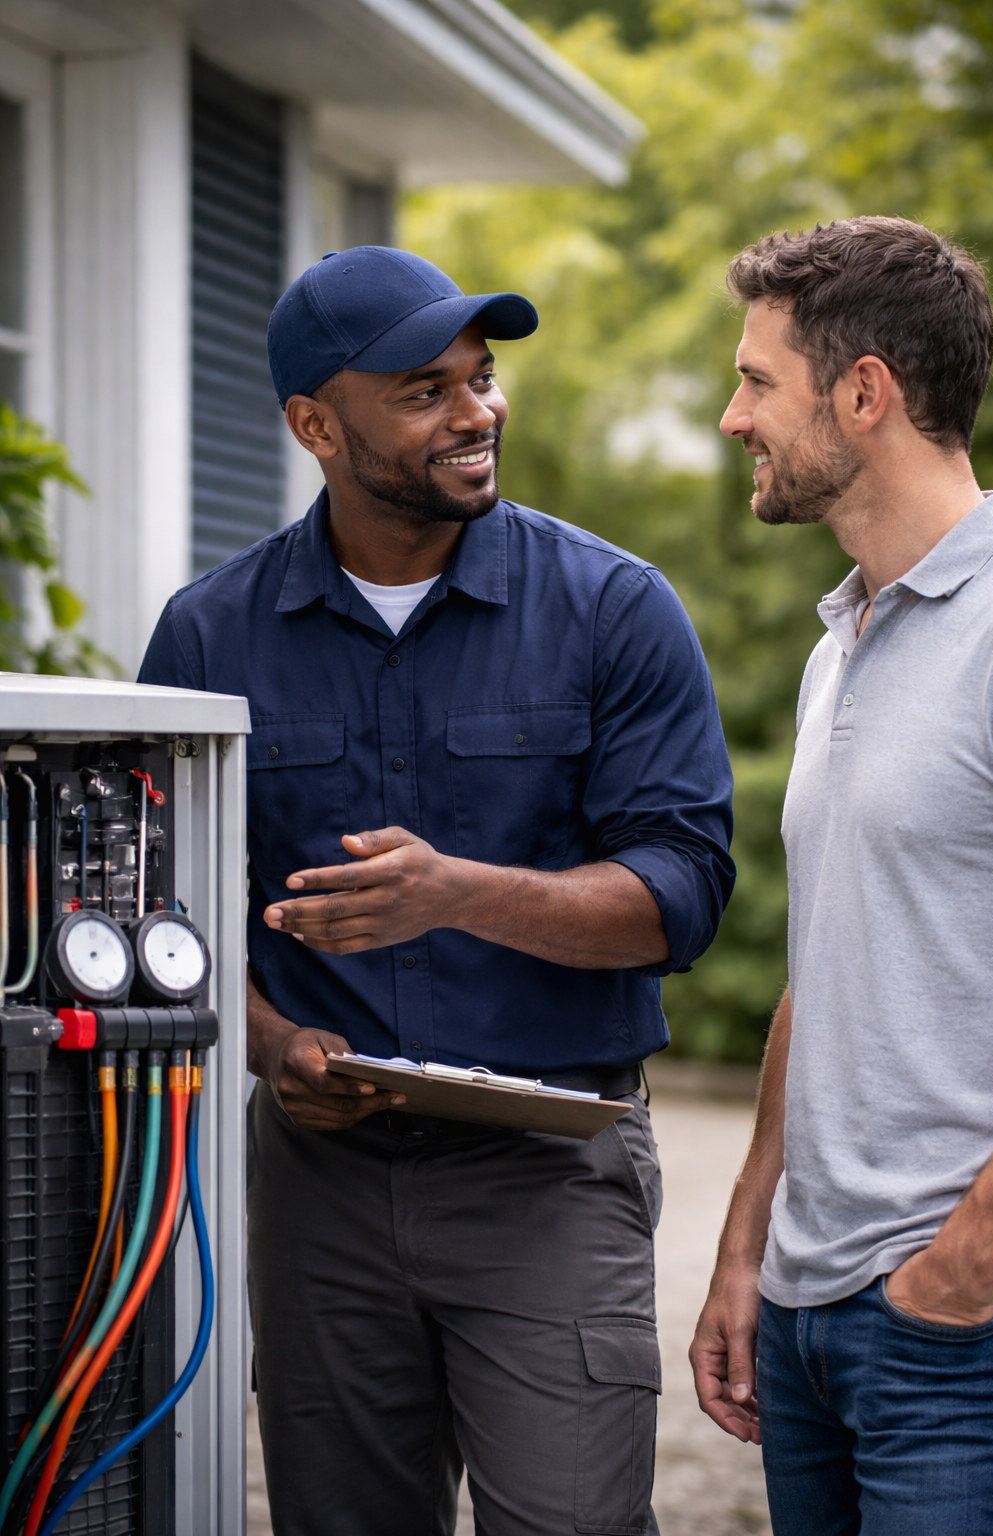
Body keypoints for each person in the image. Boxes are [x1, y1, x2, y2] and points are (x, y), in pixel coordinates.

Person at [139, 244, 734, 1536]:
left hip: (550, 1176)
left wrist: (456, 893)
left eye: (482, 376)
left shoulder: (614, 611)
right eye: (425, 390)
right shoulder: (207, 636)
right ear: (316, 425)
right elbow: (161, 920)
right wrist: (279, 1043)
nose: (478, 413)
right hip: (322, 1192)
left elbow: (682, 898)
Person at [688, 214, 993, 1535]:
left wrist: (970, 1260)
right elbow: (828, 970)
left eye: (758, 380)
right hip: (809, 1321)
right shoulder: (846, 636)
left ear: (865, 392)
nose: (733, 418)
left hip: (962, 1334)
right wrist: (743, 1251)